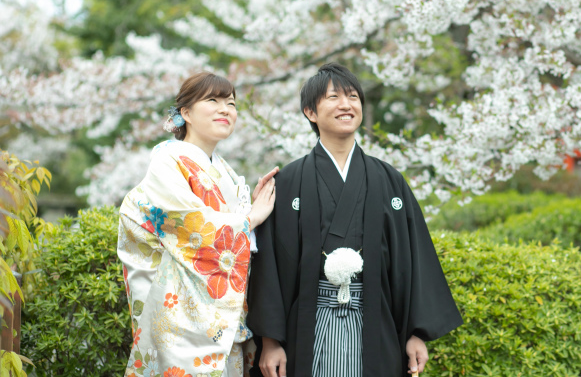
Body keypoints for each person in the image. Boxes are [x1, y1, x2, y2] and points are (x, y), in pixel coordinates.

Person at [247, 63, 462, 377]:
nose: (346, 105)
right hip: (306, 324)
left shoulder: (388, 179)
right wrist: (270, 340)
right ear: (310, 112)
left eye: (352, 96)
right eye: (333, 97)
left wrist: (416, 333)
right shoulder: (289, 181)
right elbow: (269, 267)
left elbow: (413, 259)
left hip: (376, 321)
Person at [118, 72, 279, 377]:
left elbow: (234, 234)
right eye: (213, 100)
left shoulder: (226, 172)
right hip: (181, 318)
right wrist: (250, 218)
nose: (225, 109)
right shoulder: (167, 160)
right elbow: (192, 226)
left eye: (231, 103)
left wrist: (248, 209)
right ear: (186, 113)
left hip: (222, 319)